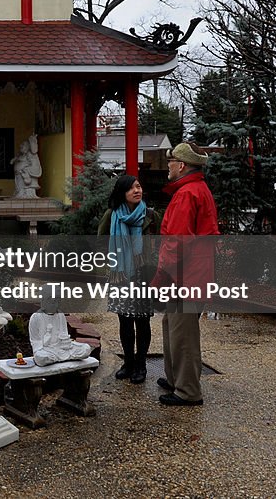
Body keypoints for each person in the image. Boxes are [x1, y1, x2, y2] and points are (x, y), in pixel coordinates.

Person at [151, 142, 219, 406]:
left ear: (181, 165)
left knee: (183, 334)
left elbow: (176, 243)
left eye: (171, 161)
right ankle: (174, 379)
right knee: (173, 326)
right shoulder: (195, 190)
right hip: (191, 274)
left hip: (186, 277)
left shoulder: (187, 194)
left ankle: (188, 391)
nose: (167, 165)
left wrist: (160, 278)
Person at [98, 175, 157, 384]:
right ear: (122, 193)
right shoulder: (112, 215)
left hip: (143, 274)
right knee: (124, 320)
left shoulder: (150, 215)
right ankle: (128, 362)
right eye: (131, 188)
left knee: (142, 322)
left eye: (139, 186)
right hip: (120, 275)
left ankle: (141, 364)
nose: (136, 190)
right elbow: (101, 241)